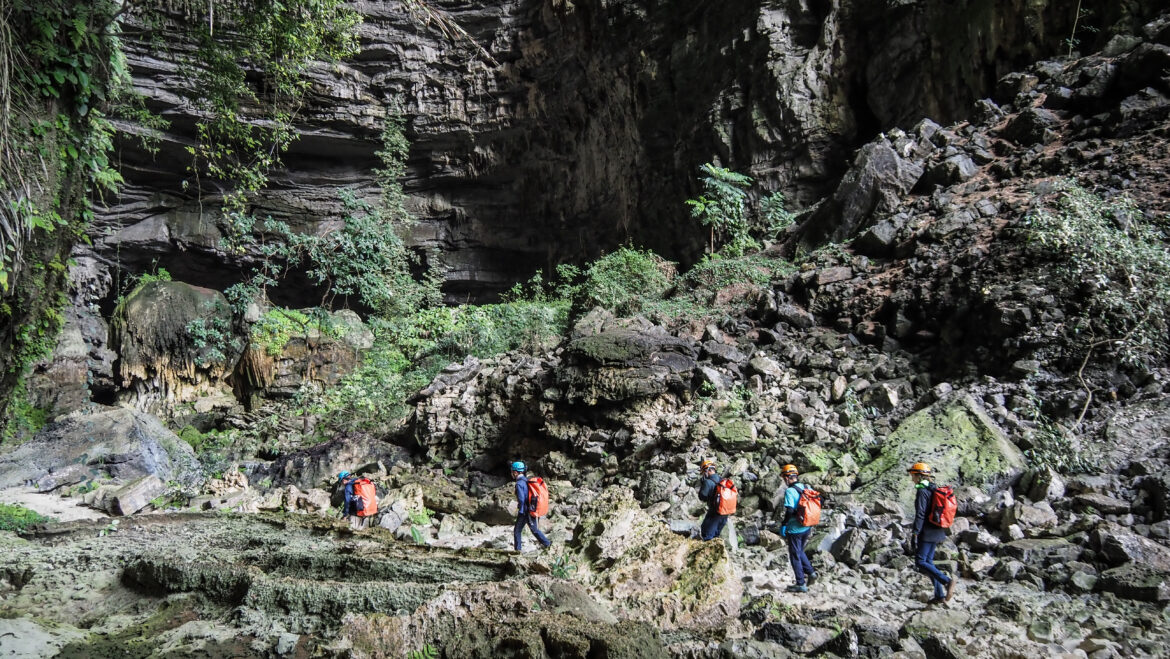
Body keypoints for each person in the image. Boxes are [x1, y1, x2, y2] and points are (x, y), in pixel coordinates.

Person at [908, 462, 956, 603]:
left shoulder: (922, 491)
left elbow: (920, 514)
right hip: (937, 529)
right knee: (928, 561)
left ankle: (947, 581)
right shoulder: (933, 487)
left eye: (913, 475)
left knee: (920, 561)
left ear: (919, 476)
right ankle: (939, 596)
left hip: (927, 531)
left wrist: (915, 532)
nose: (912, 478)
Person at [779, 464, 817, 592]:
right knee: (800, 550)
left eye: (784, 478)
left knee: (795, 555)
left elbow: (790, 510)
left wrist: (784, 524)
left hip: (795, 529)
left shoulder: (790, 491)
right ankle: (811, 573)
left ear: (787, 478)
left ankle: (800, 584)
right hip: (807, 525)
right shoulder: (806, 487)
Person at [511, 461, 551, 552]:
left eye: (512, 471)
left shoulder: (519, 484)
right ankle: (547, 544)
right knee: (532, 529)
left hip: (525, 511)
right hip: (532, 508)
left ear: (515, 472)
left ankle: (518, 550)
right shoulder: (526, 480)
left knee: (519, 530)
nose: (512, 473)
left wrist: (521, 510)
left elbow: (522, 499)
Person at [697, 459, 728, 541]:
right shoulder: (722, 480)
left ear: (708, 471)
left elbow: (702, 496)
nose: (703, 474)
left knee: (706, 534)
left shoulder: (708, 482)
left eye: (704, 472)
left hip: (715, 512)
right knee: (716, 535)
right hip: (725, 512)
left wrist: (703, 484)